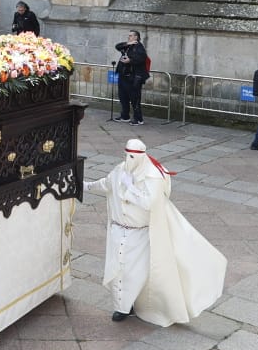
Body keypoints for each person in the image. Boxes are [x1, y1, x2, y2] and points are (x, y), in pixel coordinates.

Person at [83, 137, 227, 326]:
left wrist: (131, 188)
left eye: (133, 156)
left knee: (134, 272)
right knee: (118, 270)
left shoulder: (153, 176)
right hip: (119, 230)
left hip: (139, 234)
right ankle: (123, 306)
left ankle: (127, 307)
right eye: (126, 155)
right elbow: (105, 184)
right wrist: (83, 185)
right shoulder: (120, 171)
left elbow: (150, 203)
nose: (129, 160)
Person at [113, 30, 150, 125]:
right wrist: (128, 43)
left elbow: (142, 58)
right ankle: (125, 116)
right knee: (123, 97)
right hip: (123, 76)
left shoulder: (139, 47)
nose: (128, 37)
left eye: (130, 36)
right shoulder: (128, 46)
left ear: (136, 37)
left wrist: (130, 60)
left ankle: (138, 119)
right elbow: (117, 46)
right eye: (128, 36)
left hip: (133, 78)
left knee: (135, 99)